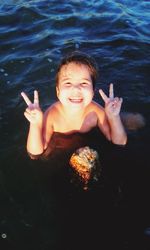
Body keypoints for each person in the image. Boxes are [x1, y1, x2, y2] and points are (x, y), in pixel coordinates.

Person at [21, 51, 127, 157]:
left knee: (134, 122)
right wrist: (35, 124)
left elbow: (119, 143)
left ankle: (124, 118)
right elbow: (35, 153)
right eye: (68, 83)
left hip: (88, 145)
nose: (76, 88)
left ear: (93, 91)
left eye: (84, 83)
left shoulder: (96, 111)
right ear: (58, 92)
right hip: (60, 148)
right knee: (46, 156)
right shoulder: (51, 116)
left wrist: (114, 117)